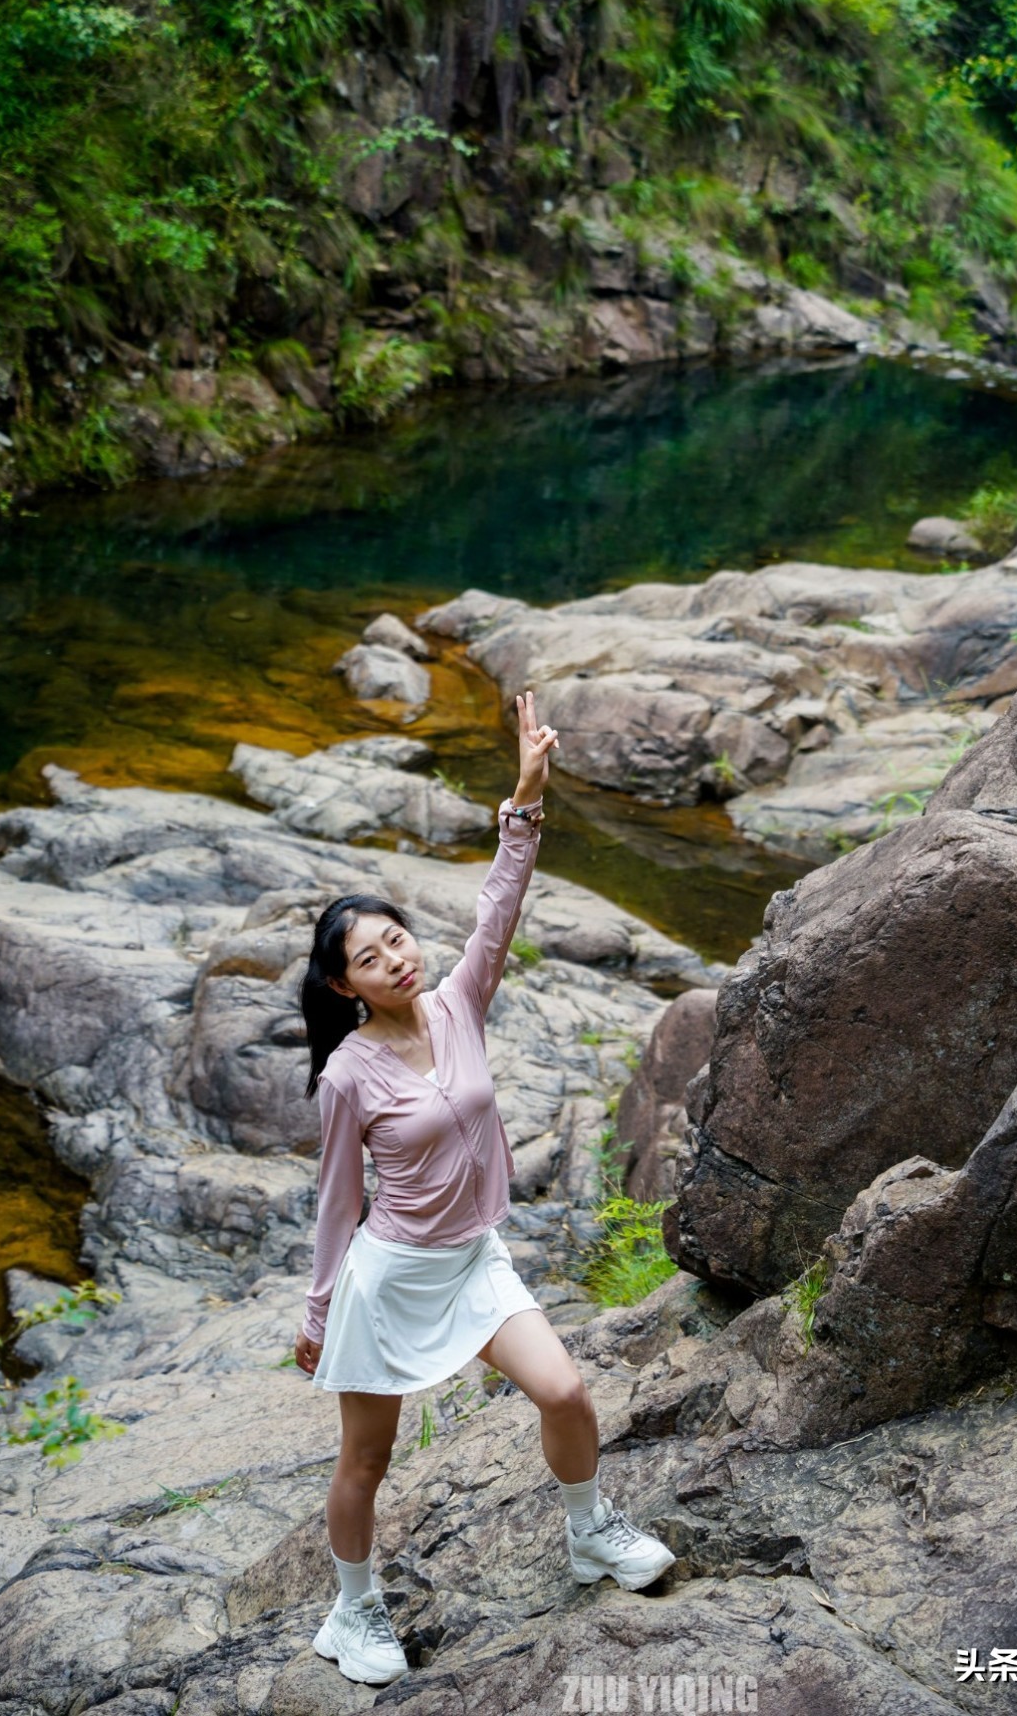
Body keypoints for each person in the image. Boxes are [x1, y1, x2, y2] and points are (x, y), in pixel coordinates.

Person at [294, 690, 676, 1686]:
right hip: (391, 1279)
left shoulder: (459, 1002)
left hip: (473, 1261)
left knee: (565, 1389)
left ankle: (590, 1533)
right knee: (365, 1462)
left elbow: (499, 905)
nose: (396, 957)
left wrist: (526, 795)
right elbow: (338, 1201)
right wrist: (318, 1308)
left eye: (396, 939)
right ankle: (354, 1611)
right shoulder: (347, 1076)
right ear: (345, 988)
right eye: (369, 958)